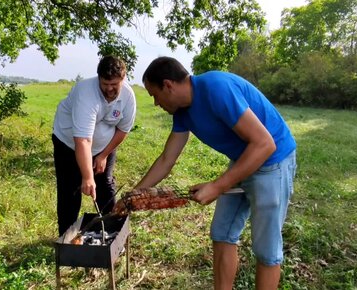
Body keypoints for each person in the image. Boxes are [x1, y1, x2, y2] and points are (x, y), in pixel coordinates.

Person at [135, 56, 297, 290]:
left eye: (154, 95)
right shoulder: (181, 112)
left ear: (168, 85)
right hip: (244, 158)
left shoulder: (216, 88)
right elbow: (166, 159)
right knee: (221, 233)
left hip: (273, 160)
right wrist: (135, 194)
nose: (156, 103)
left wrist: (218, 186)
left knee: (266, 249)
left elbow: (265, 144)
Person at [52, 56, 136, 236]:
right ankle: (67, 238)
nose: (109, 88)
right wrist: (87, 177)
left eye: (114, 84)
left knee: (105, 185)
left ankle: (113, 233)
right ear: (99, 78)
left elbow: (123, 130)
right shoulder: (86, 93)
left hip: (104, 146)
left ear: (123, 78)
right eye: (105, 83)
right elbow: (82, 140)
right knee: (70, 190)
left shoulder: (128, 97)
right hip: (68, 144)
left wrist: (103, 155)